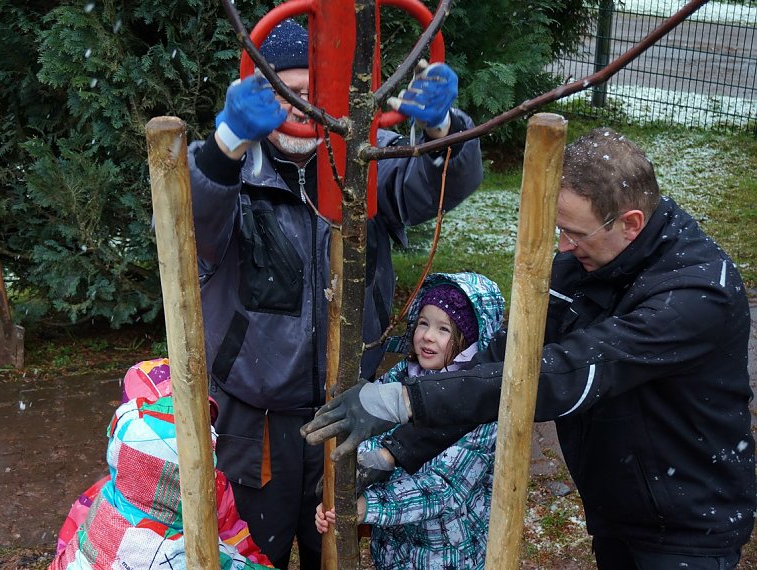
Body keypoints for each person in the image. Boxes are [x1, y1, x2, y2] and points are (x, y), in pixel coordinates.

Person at [302, 128, 757, 569]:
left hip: (688, 525)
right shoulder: (588, 262)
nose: (563, 246)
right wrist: (395, 452)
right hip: (618, 506)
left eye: (575, 233)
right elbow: (499, 363)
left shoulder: (697, 295)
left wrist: (403, 399)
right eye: (560, 229)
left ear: (631, 224)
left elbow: (566, 372)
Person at [188, 18, 484, 569]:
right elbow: (192, 220)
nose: (302, 108)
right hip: (258, 425)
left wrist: (444, 129)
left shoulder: (363, 158)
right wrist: (227, 141)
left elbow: (445, 185)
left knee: (337, 550)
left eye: (313, 92)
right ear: (261, 93)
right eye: (287, 93)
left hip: (350, 410)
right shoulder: (228, 168)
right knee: (253, 552)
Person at [315, 272, 504, 569]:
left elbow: (443, 489)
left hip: (448, 555)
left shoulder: (481, 405)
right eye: (424, 323)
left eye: (445, 329)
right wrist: (345, 494)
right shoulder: (401, 379)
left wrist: (369, 507)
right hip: (394, 548)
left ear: (471, 340)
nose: (428, 336)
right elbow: (371, 438)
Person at [51, 358, 273, 570]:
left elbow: (238, 541)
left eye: (199, 424)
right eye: (167, 430)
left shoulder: (215, 486)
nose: (184, 441)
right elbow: (71, 553)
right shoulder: (99, 499)